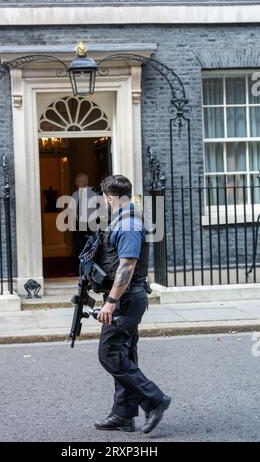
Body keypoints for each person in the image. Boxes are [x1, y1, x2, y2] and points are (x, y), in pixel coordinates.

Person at [94, 174, 171, 434]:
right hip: (128, 298)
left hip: (126, 299)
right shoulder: (124, 220)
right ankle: (123, 414)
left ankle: (155, 399)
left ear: (110, 197)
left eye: (104, 198)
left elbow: (127, 265)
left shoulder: (127, 224)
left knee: (110, 354)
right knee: (123, 353)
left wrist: (111, 301)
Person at [71, 173, 97, 275]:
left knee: (88, 246)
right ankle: (82, 270)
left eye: (78, 181)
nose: (76, 183)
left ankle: (87, 270)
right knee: (80, 246)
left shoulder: (93, 193)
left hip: (90, 223)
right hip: (81, 224)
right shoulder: (75, 194)